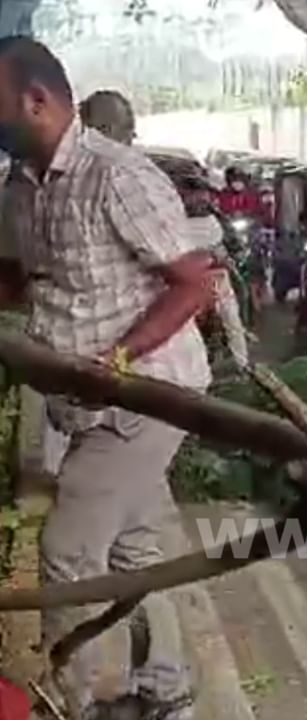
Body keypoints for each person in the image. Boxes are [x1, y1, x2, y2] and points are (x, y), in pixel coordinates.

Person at [0, 37, 215, 719]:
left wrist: (117, 359)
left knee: (66, 550)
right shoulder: (20, 184)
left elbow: (194, 284)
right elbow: (24, 282)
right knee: (137, 551)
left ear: (36, 100)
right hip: (80, 408)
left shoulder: (117, 174)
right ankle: (169, 689)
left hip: (144, 395)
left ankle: (73, 703)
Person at [177, 172, 252, 368]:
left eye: (202, 193)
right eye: (193, 192)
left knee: (235, 309)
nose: (199, 198)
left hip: (216, 272)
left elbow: (233, 240)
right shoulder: (172, 217)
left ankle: (243, 365)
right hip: (183, 277)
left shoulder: (216, 215)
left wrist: (234, 254)